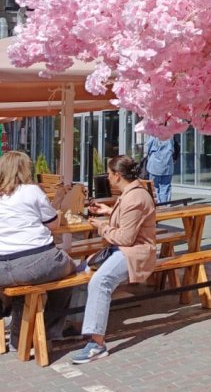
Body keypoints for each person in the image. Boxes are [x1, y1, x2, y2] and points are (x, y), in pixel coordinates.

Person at [71, 154, 156, 364]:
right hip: (123, 249)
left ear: (118, 175)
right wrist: (109, 212)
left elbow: (125, 238)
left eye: (109, 174)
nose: (107, 178)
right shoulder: (132, 192)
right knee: (81, 269)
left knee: (101, 281)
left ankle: (97, 343)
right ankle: (78, 324)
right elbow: (128, 220)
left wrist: (101, 226)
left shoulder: (135, 197)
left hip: (134, 252)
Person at [0, 151, 75, 349]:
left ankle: (18, 337)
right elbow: (53, 225)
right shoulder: (31, 191)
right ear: (23, 169)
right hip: (37, 262)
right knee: (69, 273)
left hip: (2, 268)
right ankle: (49, 329)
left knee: (20, 293)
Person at [144, 134, 175, 205]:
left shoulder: (154, 134)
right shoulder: (170, 135)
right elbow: (172, 148)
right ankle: (165, 204)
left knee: (154, 186)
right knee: (165, 186)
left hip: (154, 164)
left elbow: (148, 147)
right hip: (167, 164)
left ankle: (156, 203)